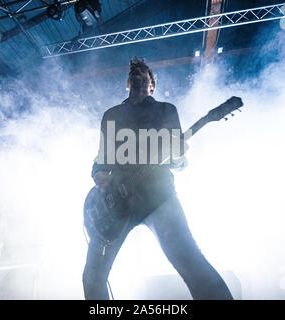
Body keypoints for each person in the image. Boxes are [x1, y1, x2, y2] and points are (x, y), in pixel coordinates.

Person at [83, 57, 233, 300]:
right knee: (92, 276)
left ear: (152, 85)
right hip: (118, 205)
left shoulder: (166, 110)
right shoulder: (111, 115)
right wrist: (98, 173)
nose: (140, 81)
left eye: (146, 78)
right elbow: (102, 158)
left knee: (191, 263)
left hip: (158, 198)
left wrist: (179, 158)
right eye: (135, 76)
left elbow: (178, 161)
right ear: (128, 83)